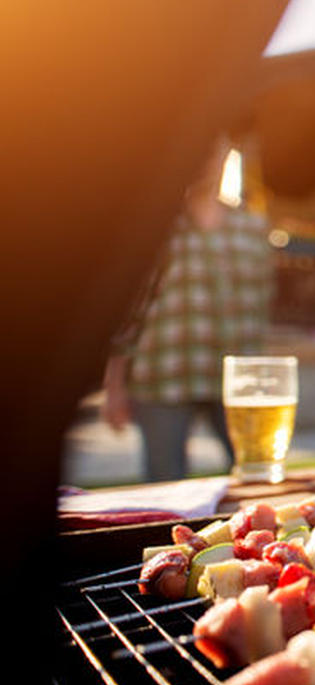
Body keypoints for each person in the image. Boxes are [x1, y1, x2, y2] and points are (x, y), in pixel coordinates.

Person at [102, 136, 273, 481]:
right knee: (164, 489)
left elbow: (263, 308)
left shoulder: (253, 227)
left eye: (213, 148)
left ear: (226, 154)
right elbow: (124, 313)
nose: (205, 159)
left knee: (258, 481)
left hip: (237, 384)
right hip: (163, 377)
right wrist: (115, 385)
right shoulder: (151, 228)